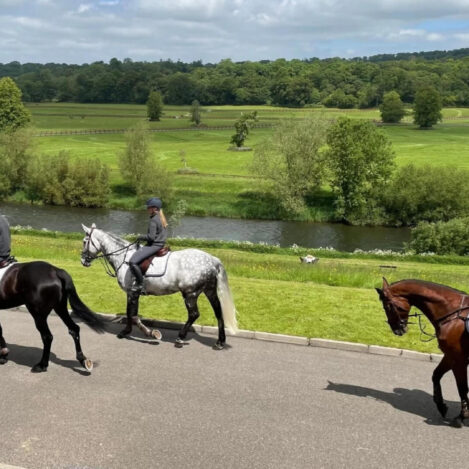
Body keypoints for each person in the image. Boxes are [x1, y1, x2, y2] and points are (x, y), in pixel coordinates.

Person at [128, 197, 168, 294]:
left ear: (154, 209)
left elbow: (151, 237)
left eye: (149, 207)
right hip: (160, 243)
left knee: (132, 262)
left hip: (154, 245)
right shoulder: (161, 217)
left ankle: (140, 284)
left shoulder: (154, 219)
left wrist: (140, 237)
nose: (147, 209)